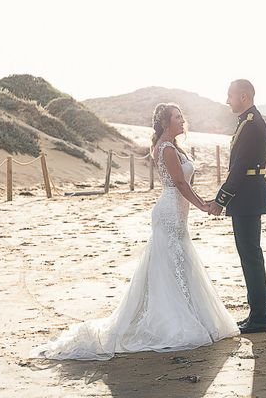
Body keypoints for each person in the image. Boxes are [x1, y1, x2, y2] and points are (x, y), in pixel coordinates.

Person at [30, 103, 239, 360]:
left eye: (182, 116)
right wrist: (204, 206)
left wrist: (197, 203)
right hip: (170, 211)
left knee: (178, 262)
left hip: (176, 211)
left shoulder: (171, 145)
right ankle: (172, 320)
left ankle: (188, 312)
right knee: (170, 262)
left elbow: (183, 184)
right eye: (177, 117)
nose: (183, 120)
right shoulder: (167, 148)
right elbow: (180, 184)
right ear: (165, 123)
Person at [208, 79, 266, 334]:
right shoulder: (249, 121)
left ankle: (259, 318)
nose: (227, 101)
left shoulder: (250, 124)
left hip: (247, 197)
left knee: (251, 257)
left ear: (244, 96)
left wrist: (220, 200)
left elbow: (239, 170)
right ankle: (256, 314)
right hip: (248, 196)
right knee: (250, 256)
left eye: (230, 96)